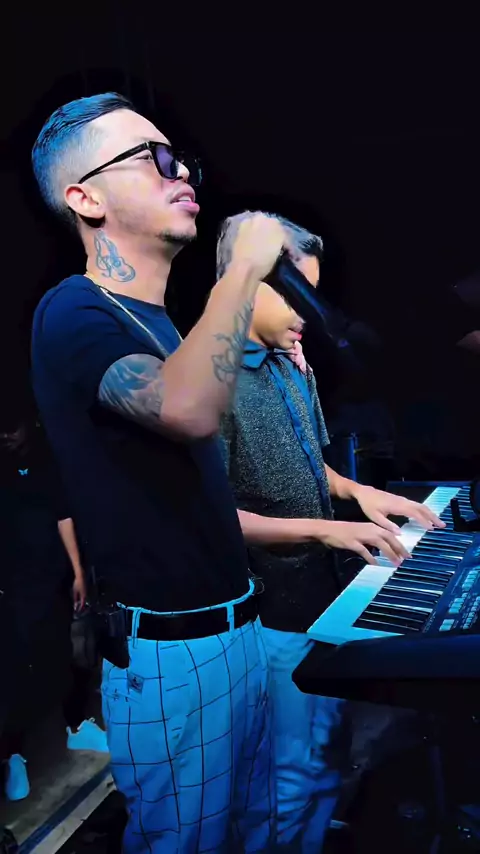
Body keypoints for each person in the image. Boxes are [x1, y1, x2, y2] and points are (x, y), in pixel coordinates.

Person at [30, 92, 288, 853]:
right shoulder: (74, 310)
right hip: (175, 655)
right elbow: (187, 409)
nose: (182, 174)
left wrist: (328, 527)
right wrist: (243, 267)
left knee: (254, 835)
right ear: (86, 198)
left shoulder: (165, 327)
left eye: (181, 159)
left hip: (238, 628)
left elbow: (192, 502)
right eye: (154, 158)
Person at [216, 211, 445, 853]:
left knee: (325, 759)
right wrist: (323, 530)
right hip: (270, 616)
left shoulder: (293, 364)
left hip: (322, 600)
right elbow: (210, 517)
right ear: (246, 281)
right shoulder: (212, 381)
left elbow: (309, 463)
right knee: (286, 775)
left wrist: (358, 492)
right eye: (296, 296)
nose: (308, 316)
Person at [0, 420, 107, 803]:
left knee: (70, 652)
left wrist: (77, 572)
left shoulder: (48, 462)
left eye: (12, 428)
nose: (6, 435)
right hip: (13, 584)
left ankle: (76, 725)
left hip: (53, 577)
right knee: (15, 670)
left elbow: (64, 517)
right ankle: (12, 755)